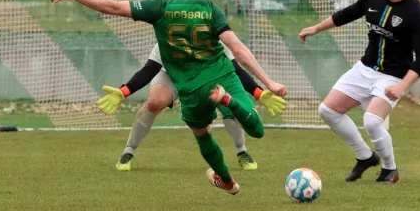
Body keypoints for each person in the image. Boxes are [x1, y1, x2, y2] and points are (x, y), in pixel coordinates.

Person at [51, 0, 287, 195]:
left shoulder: (160, 7)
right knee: (257, 130)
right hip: (221, 77)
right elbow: (238, 50)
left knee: (202, 133)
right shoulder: (210, 9)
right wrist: (268, 83)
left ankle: (227, 181)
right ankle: (229, 102)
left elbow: (112, 7)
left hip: (191, 90)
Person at [299, 0, 420, 184]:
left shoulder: (416, 12)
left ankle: (390, 169)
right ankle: (365, 156)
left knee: (371, 121)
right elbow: (347, 13)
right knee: (327, 111)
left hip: (392, 76)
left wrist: (401, 87)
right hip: (365, 68)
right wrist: (317, 28)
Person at [96, 42, 287, 171]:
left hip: (207, 76)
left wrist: (260, 93)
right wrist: (124, 92)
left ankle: (241, 151)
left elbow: (236, 70)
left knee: (229, 105)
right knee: (154, 102)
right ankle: (128, 152)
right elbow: (149, 70)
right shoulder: (167, 36)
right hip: (173, 75)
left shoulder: (213, 35)